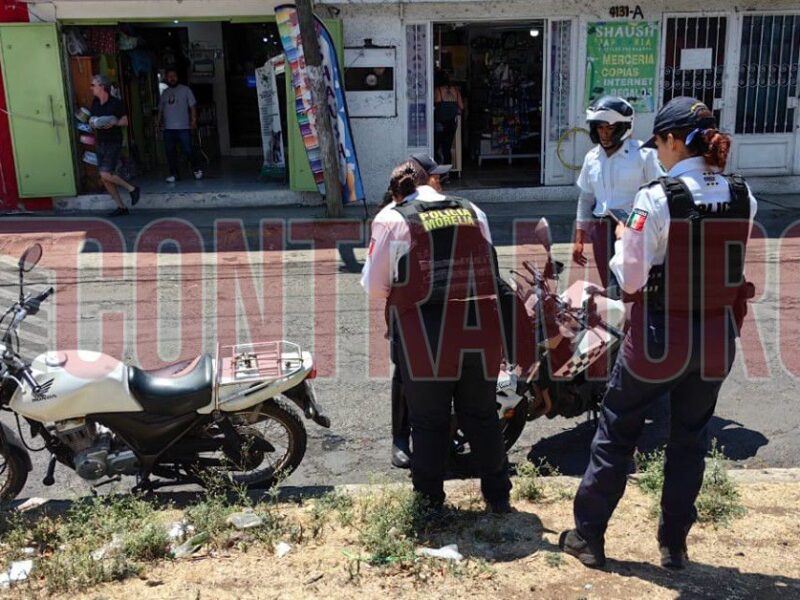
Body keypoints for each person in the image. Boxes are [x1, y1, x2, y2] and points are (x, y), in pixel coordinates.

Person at [560, 97, 757, 570]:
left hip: (658, 333)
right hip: (715, 336)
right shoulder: (741, 193)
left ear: (672, 141)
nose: (659, 154)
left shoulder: (657, 197)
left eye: (661, 145)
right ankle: (674, 545)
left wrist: (623, 247)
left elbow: (629, 280)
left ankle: (589, 536)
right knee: (690, 438)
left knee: (617, 429)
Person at [361, 156, 512, 512]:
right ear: (432, 182)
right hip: (479, 326)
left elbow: (374, 285)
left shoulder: (391, 219)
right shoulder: (473, 210)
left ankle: (430, 503)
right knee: (482, 415)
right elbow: (488, 265)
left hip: (424, 333)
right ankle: (498, 497)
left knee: (428, 421)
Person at [365, 154, 450, 469]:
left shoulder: (451, 209)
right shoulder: (391, 216)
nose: (440, 182)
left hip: (447, 304)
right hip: (409, 310)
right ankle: (400, 437)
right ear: (420, 181)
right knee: (405, 371)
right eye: (435, 176)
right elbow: (376, 282)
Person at [573, 96, 663, 295]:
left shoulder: (644, 154)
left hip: (635, 225)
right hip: (601, 229)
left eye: (610, 128)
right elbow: (586, 198)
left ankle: (637, 321)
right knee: (611, 285)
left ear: (623, 127)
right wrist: (579, 237)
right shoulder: (592, 157)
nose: (604, 134)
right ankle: (620, 323)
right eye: (600, 128)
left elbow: (658, 195)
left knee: (634, 283)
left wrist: (635, 227)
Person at [90, 74, 140, 217]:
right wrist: (94, 123)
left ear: (102, 87)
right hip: (101, 141)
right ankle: (121, 207)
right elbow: (93, 120)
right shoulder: (95, 103)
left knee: (105, 173)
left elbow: (125, 121)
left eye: (93, 85)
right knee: (105, 178)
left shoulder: (116, 103)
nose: (91, 88)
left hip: (113, 142)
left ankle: (132, 188)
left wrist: (114, 122)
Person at [158, 67, 203, 183]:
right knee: (170, 152)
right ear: (166, 78)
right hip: (169, 128)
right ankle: (174, 174)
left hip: (183, 127)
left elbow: (192, 106)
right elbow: (160, 110)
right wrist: (158, 122)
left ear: (177, 77)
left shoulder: (185, 90)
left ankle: (196, 170)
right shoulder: (165, 93)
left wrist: (193, 120)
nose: (172, 78)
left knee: (188, 150)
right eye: (169, 76)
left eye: (174, 76)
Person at [433, 70, 463, 167]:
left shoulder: (438, 90)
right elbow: (461, 106)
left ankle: (438, 171)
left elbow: (434, 104)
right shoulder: (456, 90)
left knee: (436, 147)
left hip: (440, 122)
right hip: (452, 123)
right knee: (447, 148)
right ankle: (447, 173)